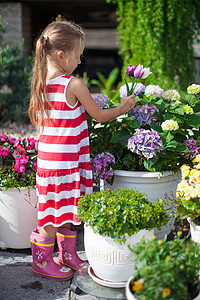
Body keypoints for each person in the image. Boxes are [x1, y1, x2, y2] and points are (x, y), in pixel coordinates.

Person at [28, 19, 135, 281]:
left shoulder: (41, 83)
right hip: (64, 162)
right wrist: (122, 108)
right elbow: (98, 115)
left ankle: (66, 255)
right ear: (62, 55)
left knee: (59, 207)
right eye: (77, 56)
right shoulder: (73, 85)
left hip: (50, 161)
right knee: (52, 215)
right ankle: (41, 261)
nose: (79, 61)